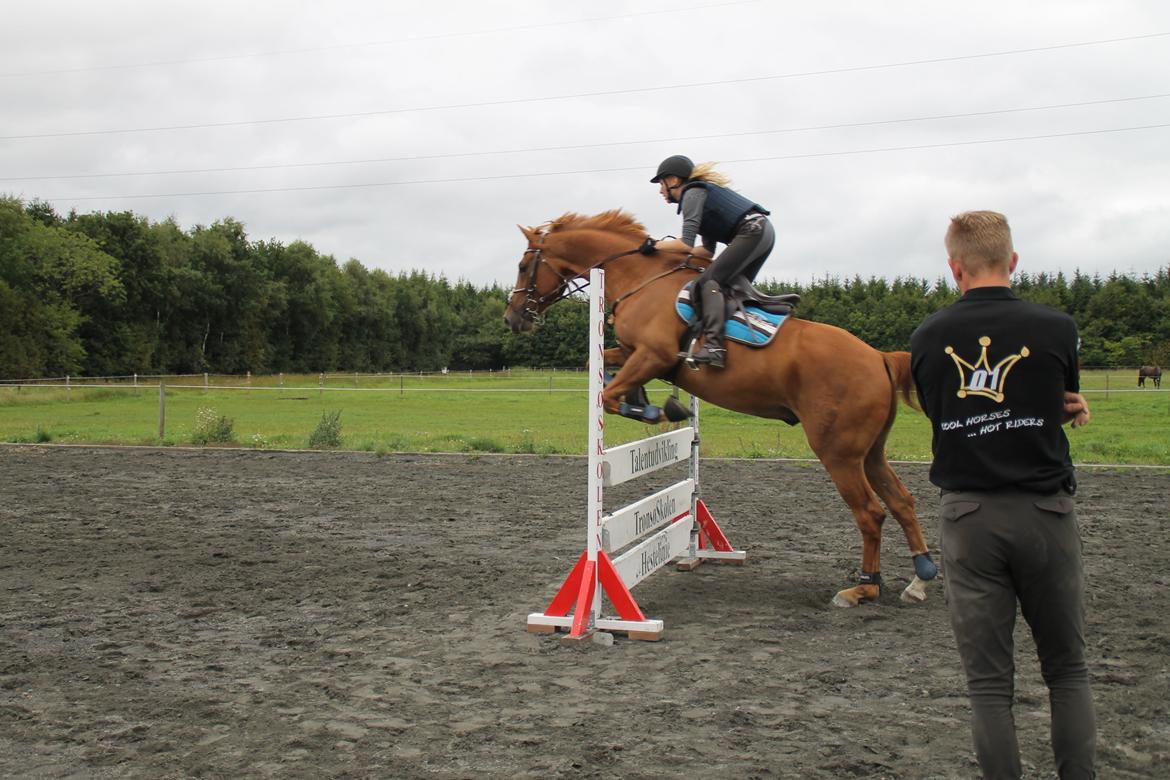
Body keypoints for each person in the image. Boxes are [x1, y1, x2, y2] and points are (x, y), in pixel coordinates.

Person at [910, 210, 1096, 779]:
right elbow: (1056, 401)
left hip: (969, 517)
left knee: (989, 686)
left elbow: (945, 414)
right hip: (1045, 511)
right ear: (1012, 261)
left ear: (954, 268)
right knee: (1067, 671)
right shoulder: (1057, 328)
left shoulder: (927, 337)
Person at [650, 154, 774, 368]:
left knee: (707, 283)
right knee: (730, 289)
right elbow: (706, 251)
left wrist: (654, 245)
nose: (661, 190)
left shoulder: (692, 194)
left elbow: (685, 244)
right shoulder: (700, 195)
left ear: (673, 180)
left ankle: (714, 347)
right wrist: (671, 254)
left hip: (753, 231)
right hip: (761, 232)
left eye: (661, 183)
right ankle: (735, 346)